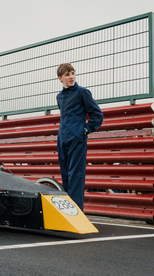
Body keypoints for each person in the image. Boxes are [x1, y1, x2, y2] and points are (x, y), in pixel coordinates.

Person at [56, 63, 104, 210]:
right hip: (62, 139)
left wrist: (85, 129)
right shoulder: (59, 97)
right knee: (65, 176)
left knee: (76, 176)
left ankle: (76, 212)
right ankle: (67, 211)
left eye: (72, 73)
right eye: (67, 74)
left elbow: (97, 114)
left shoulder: (82, 92)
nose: (71, 77)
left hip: (77, 139)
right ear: (60, 78)